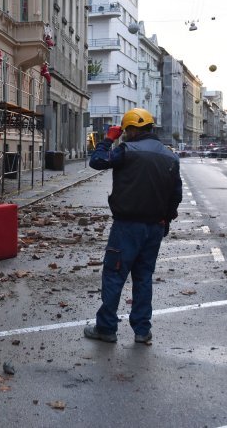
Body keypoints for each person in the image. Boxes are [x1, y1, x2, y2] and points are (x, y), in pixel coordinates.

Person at [84, 108, 182, 344]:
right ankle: (142, 330)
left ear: (131, 130)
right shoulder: (170, 156)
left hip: (127, 227)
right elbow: (175, 196)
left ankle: (106, 329)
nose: (125, 134)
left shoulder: (126, 150)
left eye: (126, 130)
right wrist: (165, 220)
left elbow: (97, 162)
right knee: (143, 278)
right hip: (154, 228)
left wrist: (108, 139)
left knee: (114, 276)